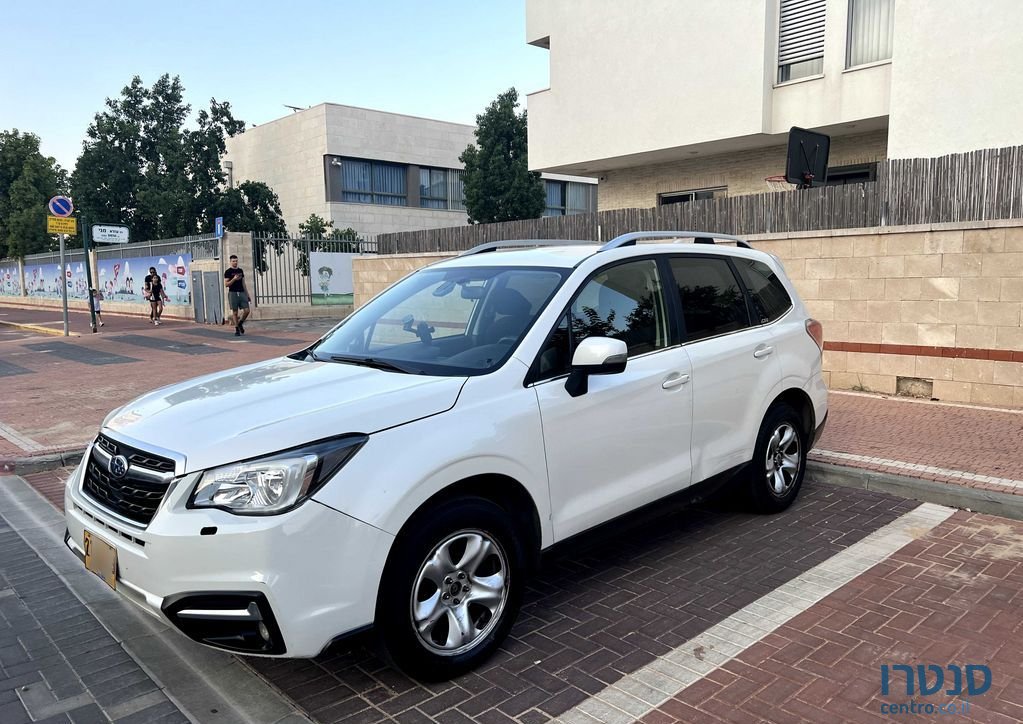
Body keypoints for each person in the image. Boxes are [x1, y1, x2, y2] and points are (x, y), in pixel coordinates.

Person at [224, 254, 251, 336]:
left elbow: (243, 283)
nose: (235, 262)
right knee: (235, 312)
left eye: (236, 261)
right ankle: (236, 329)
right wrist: (234, 279)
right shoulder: (228, 272)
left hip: (241, 292)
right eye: (233, 261)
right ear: (230, 262)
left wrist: (247, 294)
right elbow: (226, 284)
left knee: (247, 310)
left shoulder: (240, 271)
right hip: (233, 293)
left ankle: (240, 323)